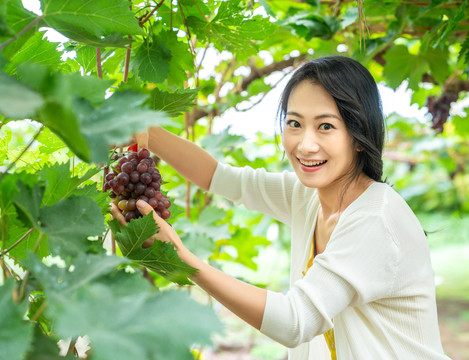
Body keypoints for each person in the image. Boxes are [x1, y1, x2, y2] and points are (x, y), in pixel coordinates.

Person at [111, 55, 451, 359]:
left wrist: (181, 259)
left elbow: (294, 321)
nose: (305, 144)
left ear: (358, 135)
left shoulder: (375, 220)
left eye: (326, 126)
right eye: (294, 123)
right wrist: (148, 132)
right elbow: (221, 177)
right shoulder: (309, 196)